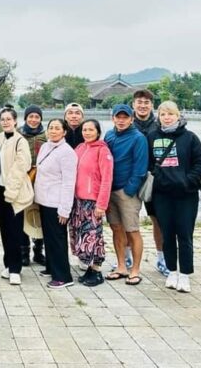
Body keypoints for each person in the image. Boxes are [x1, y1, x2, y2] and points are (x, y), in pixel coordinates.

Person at [147, 101, 201, 293]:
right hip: (162, 194)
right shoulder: (152, 137)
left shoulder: (190, 138)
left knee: (184, 234)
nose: (167, 118)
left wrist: (187, 181)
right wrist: (158, 179)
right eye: (163, 114)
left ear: (178, 116)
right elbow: (148, 163)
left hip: (185, 195)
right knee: (167, 234)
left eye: (170, 114)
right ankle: (172, 270)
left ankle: (185, 274)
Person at [104, 104, 148, 286]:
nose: (121, 120)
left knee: (132, 230)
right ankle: (121, 266)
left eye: (125, 117)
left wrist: (130, 190)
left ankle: (135, 270)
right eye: (118, 117)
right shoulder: (109, 135)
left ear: (132, 119)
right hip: (110, 190)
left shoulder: (138, 138)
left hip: (127, 191)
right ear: (113, 118)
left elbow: (140, 167)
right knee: (116, 228)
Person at [34, 119, 78, 288]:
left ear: (64, 132)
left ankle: (63, 276)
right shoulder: (46, 146)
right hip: (44, 200)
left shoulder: (67, 152)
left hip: (56, 202)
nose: (53, 131)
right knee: (49, 237)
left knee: (58, 238)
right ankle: (51, 267)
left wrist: (64, 209)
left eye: (57, 128)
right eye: (50, 128)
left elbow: (69, 183)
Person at [70, 119, 113, 287]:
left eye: (91, 130)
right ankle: (89, 268)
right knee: (82, 235)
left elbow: (107, 179)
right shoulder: (80, 148)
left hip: (93, 201)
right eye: (84, 130)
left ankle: (96, 270)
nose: (87, 133)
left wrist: (102, 204)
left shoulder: (103, 150)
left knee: (94, 236)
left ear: (98, 132)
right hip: (78, 200)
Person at [0, 107, 33, 286]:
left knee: (15, 231)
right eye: (2, 119)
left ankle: (16, 269)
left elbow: (22, 166)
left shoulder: (20, 141)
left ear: (15, 121)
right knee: (4, 229)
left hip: (14, 192)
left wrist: (11, 191)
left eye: (8, 119)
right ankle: (8, 264)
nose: (5, 122)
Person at [131, 89, 167, 277]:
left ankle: (162, 258)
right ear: (133, 104)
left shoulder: (160, 125)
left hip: (155, 178)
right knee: (128, 220)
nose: (143, 106)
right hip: (131, 178)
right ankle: (127, 258)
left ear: (152, 105)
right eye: (139, 102)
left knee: (158, 220)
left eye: (146, 103)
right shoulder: (126, 123)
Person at [19, 104, 47, 266]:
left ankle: (38, 250)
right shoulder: (18, 134)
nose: (34, 120)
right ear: (26, 118)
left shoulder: (46, 135)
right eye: (31, 116)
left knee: (39, 215)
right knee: (23, 215)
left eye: (37, 117)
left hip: (41, 180)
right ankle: (24, 251)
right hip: (24, 179)